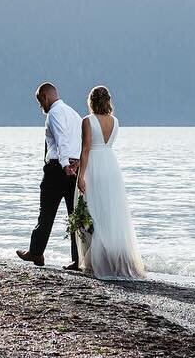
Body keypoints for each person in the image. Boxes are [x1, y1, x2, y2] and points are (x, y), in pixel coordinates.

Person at [76, 84, 146, 279]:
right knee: (111, 213)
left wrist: (81, 176)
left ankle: (97, 260)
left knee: (93, 211)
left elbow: (86, 149)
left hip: (95, 167)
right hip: (111, 166)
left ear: (91, 101)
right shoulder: (115, 121)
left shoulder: (87, 120)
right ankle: (115, 260)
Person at [16, 81, 81, 269]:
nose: (40, 106)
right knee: (74, 216)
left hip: (57, 169)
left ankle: (36, 252)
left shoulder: (54, 113)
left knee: (46, 213)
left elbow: (61, 140)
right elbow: (80, 141)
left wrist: (64, 165)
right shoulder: (74, 114)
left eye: (39, 102)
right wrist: (77, 165)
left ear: (45, 97)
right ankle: (77, 259)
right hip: (75, 169)